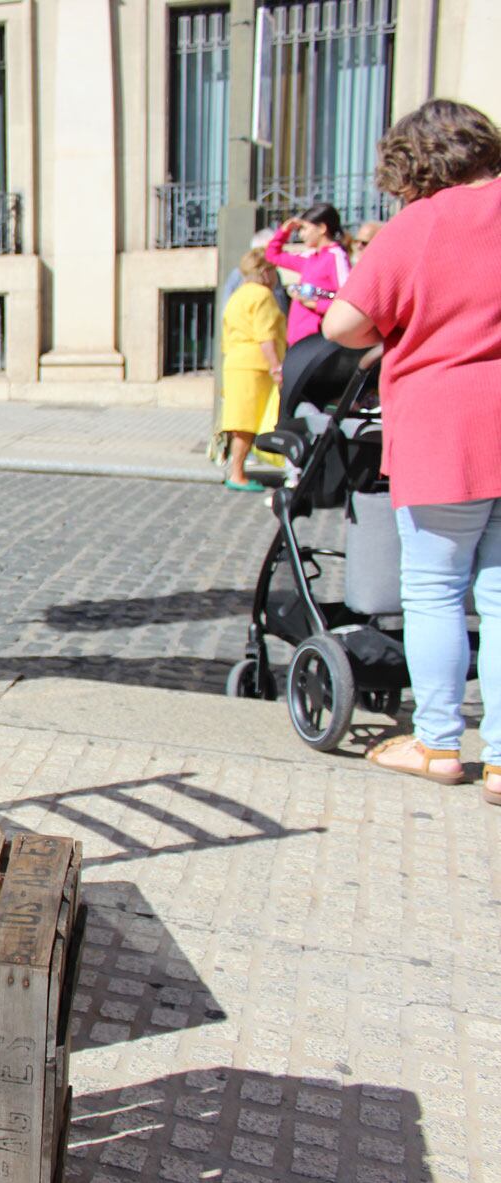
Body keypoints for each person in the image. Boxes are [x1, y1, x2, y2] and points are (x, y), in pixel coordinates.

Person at [323, 99, 501, 799]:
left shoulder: (421, 225)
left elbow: (344, 324)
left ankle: (437, 741)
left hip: (445, 424)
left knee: (433, 587)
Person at [216, 247, 286, 493]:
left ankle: (236, 469)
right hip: (254, 364)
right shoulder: (262, 296)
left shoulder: (237, 295)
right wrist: (276, 366)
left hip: (235, 361)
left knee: (239, 420)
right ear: (266, 272)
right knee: (247, 422)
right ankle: (238, 473)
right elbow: (265, 336)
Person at [263, 203, 352, 345]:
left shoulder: (336, 256)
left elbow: (348, 301)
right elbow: (272, 255)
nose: (301, 234)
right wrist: (284, 231)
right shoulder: (310, 257)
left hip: (317, 340)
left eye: (304, 228)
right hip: (298, 340)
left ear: (322, 228)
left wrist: (315, 304)